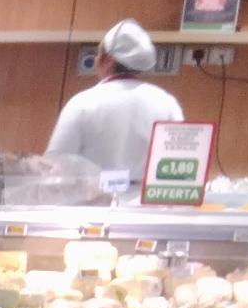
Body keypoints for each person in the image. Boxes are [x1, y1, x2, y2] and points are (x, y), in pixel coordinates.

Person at [43, 19, 187, 199]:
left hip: (91, 204)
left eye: (97, 54)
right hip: (149, 207)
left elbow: (55, 164)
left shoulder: (83, 103)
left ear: (109, 61)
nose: (95, 60)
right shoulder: (166, 103)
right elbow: (179, 163)